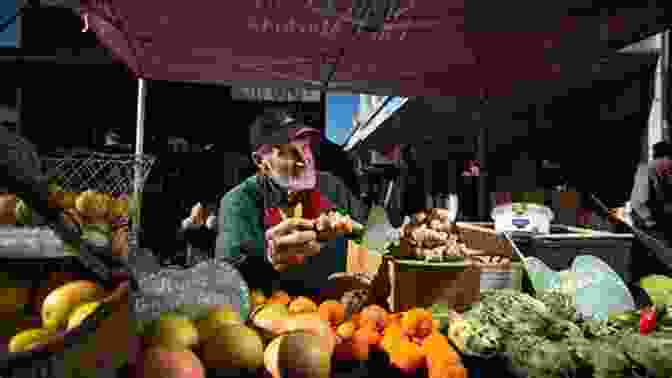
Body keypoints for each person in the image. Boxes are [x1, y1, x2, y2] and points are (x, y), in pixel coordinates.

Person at [215, 108, 367, 296]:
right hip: (278, 313)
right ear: (261, 162)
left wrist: (392, 234)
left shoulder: (330, 185)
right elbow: (226, 277)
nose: (304, 160)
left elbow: (373, 237)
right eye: (287, 152)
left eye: (305, 147)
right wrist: (269, 259)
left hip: (340, 311)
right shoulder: (239, 201)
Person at [627, 140, 672, 282]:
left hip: (651, 225)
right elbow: (639, 202)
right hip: (652, 226)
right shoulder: (652, 168)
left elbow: (638, 202)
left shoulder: (648, 168)